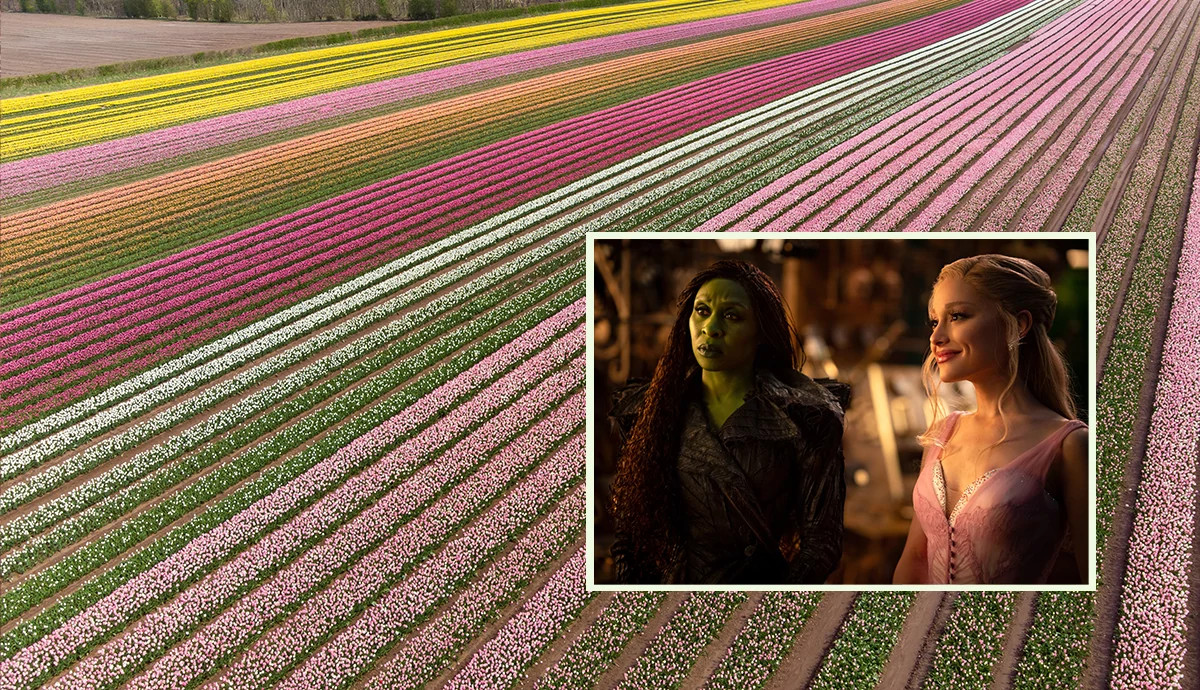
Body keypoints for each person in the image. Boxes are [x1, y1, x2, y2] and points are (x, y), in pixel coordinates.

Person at [608, 259, 848, 584]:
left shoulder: (805, 417)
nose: (711, 328)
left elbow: (822, 544)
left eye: (732, 315)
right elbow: (633, 534)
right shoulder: (653, 412)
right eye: (702, 311)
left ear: (760, 332)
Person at [893, 255, 1089, 585]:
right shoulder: (943, 433)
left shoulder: (1069, 445)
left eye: (957, 316)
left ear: (1020, 325)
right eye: (934, 321)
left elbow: (1103, 590)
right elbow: (914, 562)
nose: (937, 336)